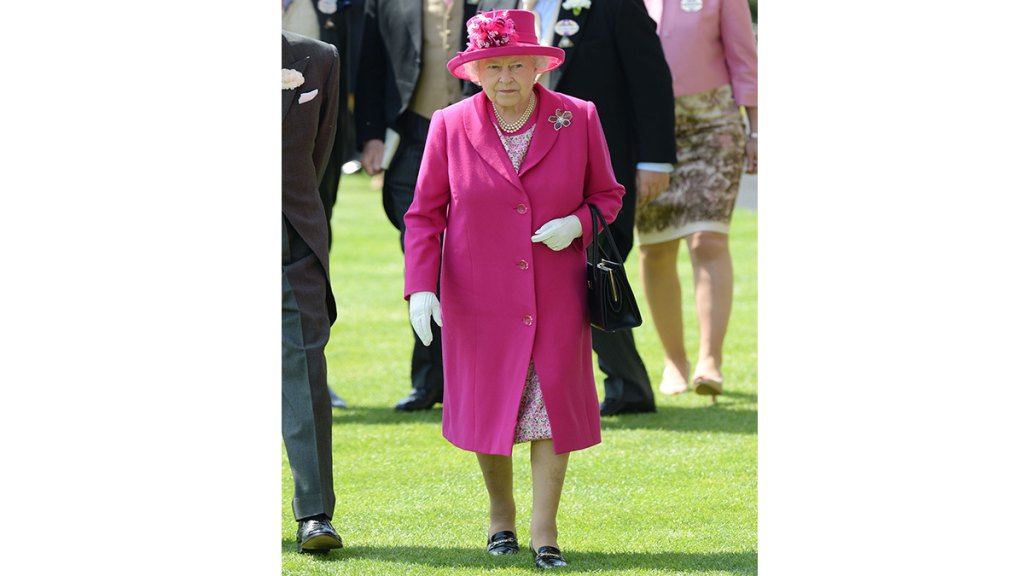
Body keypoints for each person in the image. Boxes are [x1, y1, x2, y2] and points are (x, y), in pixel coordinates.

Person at [403, 10, 625, 568]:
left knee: (551, 406)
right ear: (475, 72)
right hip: (476, 297)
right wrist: (420, 289)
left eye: (517, 65)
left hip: (556, 292)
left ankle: (544, 530)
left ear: (539, 67)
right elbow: (424, 216)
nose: (506, 76)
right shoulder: (449, 124)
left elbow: (608, 195)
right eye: (494, 66)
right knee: (489, 406)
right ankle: (500, 517)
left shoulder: (578, 117)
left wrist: (576, 224)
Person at [473, 0, 677, 416]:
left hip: (594, 165)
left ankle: (623, 384)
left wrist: (655, 159)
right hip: (513, 168)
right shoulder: (493, 7)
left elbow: (649, 78)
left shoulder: (614, 6)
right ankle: (614, 386)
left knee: (592, 270)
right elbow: (481, 80)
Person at [354, 0, 476, 412]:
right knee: (423, 259)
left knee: (476, 266)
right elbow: (370, 67)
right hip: (412, 140)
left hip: (477, 138)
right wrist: (371, 136)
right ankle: (427, 383)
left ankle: (476, 378)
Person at [634, 0, 758, 402]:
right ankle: (675, 361)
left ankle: (710, 360)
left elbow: (743, 56)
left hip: (713, 124)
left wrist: (757, 130)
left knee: (708, 239)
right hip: (648, 129)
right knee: (656, 248)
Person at [281, 30, 345, 553]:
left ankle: (315, 515)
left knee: (305, 368)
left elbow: (320, 154)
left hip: (291, 237)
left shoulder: (319, 59)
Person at [283, 0, 354, 409]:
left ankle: (310, 379)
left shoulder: (328, 17)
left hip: (301, 188)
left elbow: (324, 136)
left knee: (304, 301)